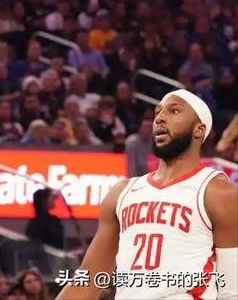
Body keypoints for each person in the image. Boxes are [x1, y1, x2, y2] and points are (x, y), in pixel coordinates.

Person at [57, 89, 238, 299]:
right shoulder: (122, 192)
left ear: (199, 130)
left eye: (174, 111)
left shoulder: (218, 192)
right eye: (158, 112)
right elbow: (87, 282)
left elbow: (232, 291)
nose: (160, 118)